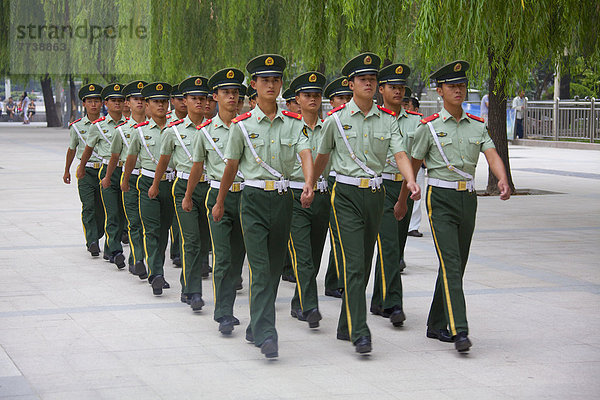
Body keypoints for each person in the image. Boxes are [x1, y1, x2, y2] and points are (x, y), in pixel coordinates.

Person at [312, 53, 420, 354]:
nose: (369, 83)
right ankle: (360, 330)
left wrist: (410, 180)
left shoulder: (388, 120)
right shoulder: (335, 120)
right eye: (363, 79)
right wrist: (311, 185)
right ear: (351, 84)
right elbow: (321, 157)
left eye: (373, 79)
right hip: (345, 195)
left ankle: (346, 324)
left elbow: (400, 154)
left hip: (376, 195)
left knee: (363, 263)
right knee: (355, 264)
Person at [213, 54, 314, 358]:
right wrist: (219, 201)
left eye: (276, 80)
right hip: (253, 200)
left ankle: (256, 323)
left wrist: (308, 182)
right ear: (253, 85)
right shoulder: (241, 126)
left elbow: (306, 152)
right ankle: (267, 333)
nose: (271, 85)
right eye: (265, 80)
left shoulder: (293, 123)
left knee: (271, 270)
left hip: (283, 200)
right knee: (259, 268)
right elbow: (231, 167)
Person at [408, 60, 510, 353]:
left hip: (467, 199)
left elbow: (491, 154)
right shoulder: (428, 127)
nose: (458, 91)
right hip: (439, 198)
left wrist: (502, 180)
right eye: (452, 86)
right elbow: (413, 164)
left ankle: (436, 322)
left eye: (461, 85)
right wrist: (406, 195)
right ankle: (459, 328)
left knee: (456, 264)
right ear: (439, 91)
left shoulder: (477, 125)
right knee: (451, 263)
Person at [185, 68, 246, 334]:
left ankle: (246, 311)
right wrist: (188, 195)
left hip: (248, 196)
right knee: (222, 257)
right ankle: (224, 313)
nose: (231, 97)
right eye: (226, 92)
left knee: (240, 258)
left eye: (235, 93)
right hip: (217, 197)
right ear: (215, 97)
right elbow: (197, 167)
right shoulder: (205, 132)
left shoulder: (248, 127)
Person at [369, 63, 422, 328]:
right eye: (393, 87)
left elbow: (419, 155)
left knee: (396, 246)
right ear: (382, 90)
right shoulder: (374, 118)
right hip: (380, 187)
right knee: (389, 245)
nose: (398, 91)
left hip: (405, 188)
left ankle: (378, 300)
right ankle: (394, 303)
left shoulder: (415, 121)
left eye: (401, 87)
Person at [152, 76, 211, 311]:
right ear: (184, 100)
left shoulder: (215, 128)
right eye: (194, 98)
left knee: (205, 242)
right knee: (192, 240)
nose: (199, 102)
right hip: (184, 188)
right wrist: (155, 185)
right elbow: (163, 162)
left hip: (209, 187)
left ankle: (187, 287)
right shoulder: (173, 131)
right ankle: (194, 291)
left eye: (202, 98)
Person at [121, 82, 175, 296]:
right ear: (148, 105)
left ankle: (157, 268)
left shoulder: (175, 129)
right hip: (148, 183)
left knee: (164, 231)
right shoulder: (140, 132)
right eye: (155, 102)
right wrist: (125, 181)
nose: (160, 105)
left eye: (164, 101)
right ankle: (157, 274)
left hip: (171, 184)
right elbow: (131, 159)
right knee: (151, 230)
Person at [287, 71, 329, 329]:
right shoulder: (288, 127)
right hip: (294, 196)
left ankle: (298, 302)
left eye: (316, 95)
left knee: (314, 255)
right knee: (302, 254)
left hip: (322, 196)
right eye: (307, 95)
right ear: (297, 99)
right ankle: (311, 306)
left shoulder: (330, 128)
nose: (312, 99)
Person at [77, 83, 127, 269]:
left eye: (120, 100)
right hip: (107, 171)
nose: (117, 103)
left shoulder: (130, 124)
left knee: (122, 214)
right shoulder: (98, 126)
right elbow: (88, 149)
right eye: (113, 100)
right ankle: (115, 250)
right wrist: (81, 167)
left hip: (126, 171)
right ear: (106, 103)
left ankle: (108, 247)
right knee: (111, 212)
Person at [103, 80, 148, 278]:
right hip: (129, 178)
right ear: (127, 103)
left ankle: (140, 259)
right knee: (134, 221)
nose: (139, 102)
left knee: (148, 223)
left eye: (142, 99)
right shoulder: (121, 130)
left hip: (149, 178)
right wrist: (107, 178)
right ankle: (137, 259)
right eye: (135, 99)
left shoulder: (157, 128)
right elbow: (114, 157)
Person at [63, 83, 105, 257]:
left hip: (104, 171)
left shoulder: (109, 125)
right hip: (86, 171)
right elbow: (72, 149)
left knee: (102, 209)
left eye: (97, 101)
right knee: (88, 206)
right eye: (90, 101)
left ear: (102, 103)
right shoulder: (77, 127)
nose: (94, 104)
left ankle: (98, 233)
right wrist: (67, 170)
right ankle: (92, 241)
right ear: (84, 104)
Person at [321, 76, 353, 299]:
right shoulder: (327, 124)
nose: (344, 101)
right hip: (328, 181)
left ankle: (336, 280)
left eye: (347, 98)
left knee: (341, 235)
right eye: (340, 98)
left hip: (344, 181)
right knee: (336, 235)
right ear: (331, 101)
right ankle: (335, 279)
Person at [168, 84, 187, 268]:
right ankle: (176, 250)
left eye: (185, 98)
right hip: (171, 174)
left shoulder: (202, 125)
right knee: (174, 216)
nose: (183, 102)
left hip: (191, 177)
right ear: (172, 101)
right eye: (179, 98)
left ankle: (179, 252)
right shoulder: (167, 123)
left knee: (181, 218)